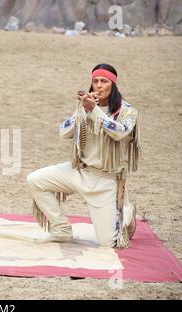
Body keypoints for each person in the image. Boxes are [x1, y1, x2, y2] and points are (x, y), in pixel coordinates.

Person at [26, 63, 140, 249]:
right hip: (79, 171)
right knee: (35, 180)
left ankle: (126, 214)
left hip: (106, 181)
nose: (99, 85)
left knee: (108, 244)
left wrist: (94, 111)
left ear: (113, 85)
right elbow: (64, 133)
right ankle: (61, 229)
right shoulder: (85, 108)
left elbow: (119, 132)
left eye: (104, 81)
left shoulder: (128, 111)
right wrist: (83, 110)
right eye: (95, 81)